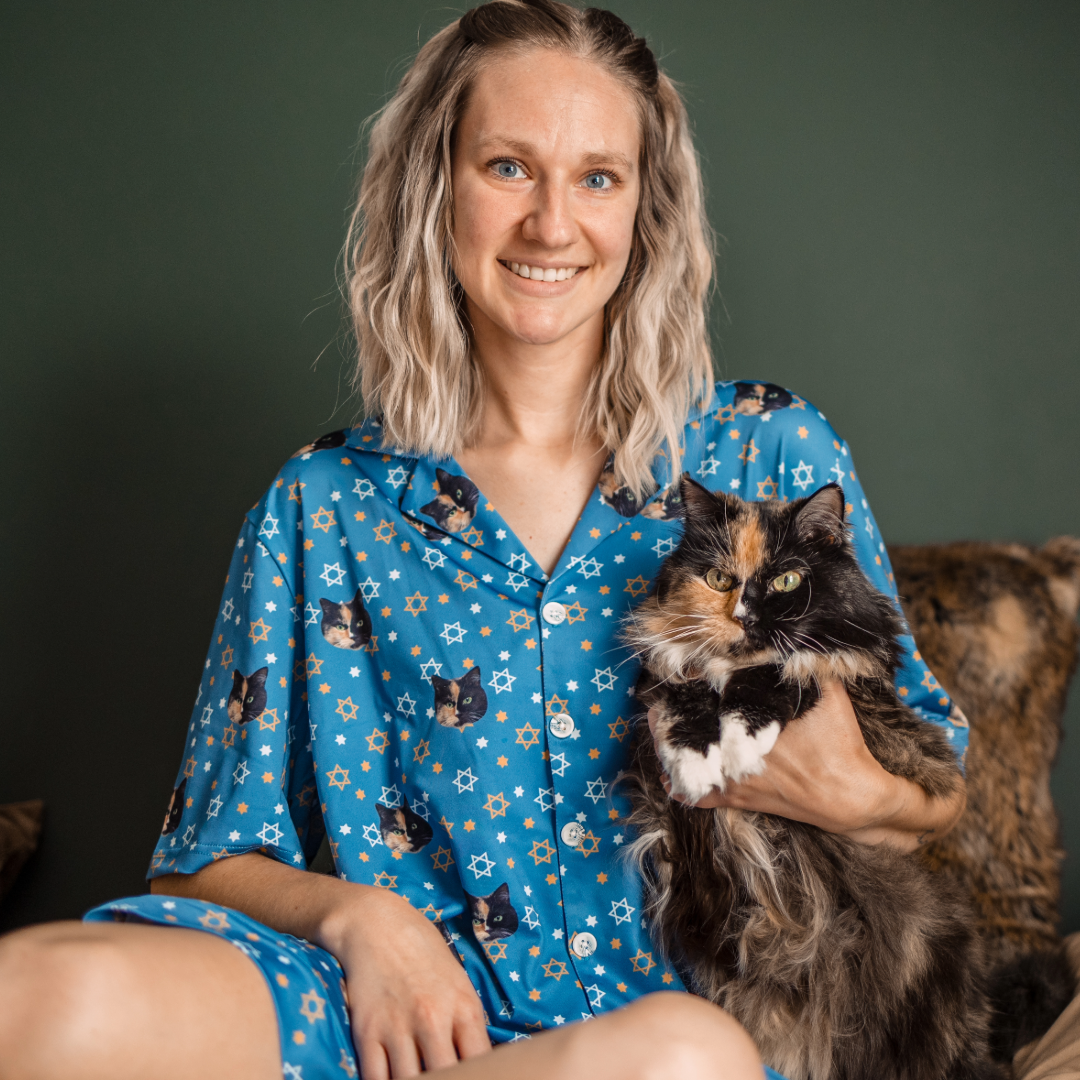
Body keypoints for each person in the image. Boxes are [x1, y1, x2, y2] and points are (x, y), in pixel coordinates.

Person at [0, 3, 973, 1078]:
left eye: (598, 178)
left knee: (679, 1060)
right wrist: (363, 923)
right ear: (435, 188)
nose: (553, 226)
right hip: (394, 1027)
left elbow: (938, 783)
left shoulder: (770, 455)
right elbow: (199, 866)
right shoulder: (323, 504)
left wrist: (863, 797)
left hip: (689, 1035)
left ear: (645, 210)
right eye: (509, 167)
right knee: (35, 991)